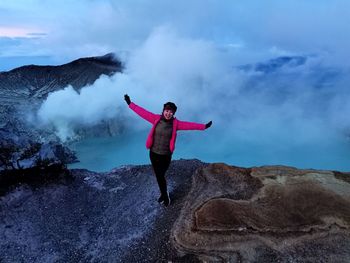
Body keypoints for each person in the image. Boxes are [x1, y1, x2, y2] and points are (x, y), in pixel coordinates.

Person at [124, 94, 212, 207]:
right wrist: (130, 103)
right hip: (153, 154)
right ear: (163, 110)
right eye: (166, 111)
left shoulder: (176, 124)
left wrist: (204, 126)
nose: (168, 113)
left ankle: (164, 194)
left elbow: (190, 125)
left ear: (173, 113)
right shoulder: (155, 118)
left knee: (161, 175)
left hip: (165, 155)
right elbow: (142, 112)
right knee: (159, 176)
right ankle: (164, 195)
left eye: (171, 112)